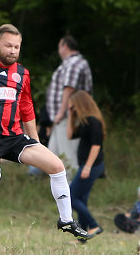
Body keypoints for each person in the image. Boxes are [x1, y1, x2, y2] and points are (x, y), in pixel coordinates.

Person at [0, 24, 90, 255]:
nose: (13, 50)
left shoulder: (22, 73)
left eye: (17, 47)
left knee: (56, 166)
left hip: (15, 138)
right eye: (9, 45)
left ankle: (66, 220)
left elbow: (26, 106)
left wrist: (36, 141)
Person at [46, 35, 93, 177]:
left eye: (59, 46)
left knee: (68, 156)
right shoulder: (69, 63)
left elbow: (69, 88)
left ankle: (71, 190)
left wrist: (61, 113)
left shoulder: (74, 63)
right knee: (51, 156)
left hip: (68, 117)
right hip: (61, 118)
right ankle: (58, 191)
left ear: (64, 46)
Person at [67, 90, 106, 242]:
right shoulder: (85, 122)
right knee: (81, 200)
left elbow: (96, 146)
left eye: (73, 105)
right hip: (86, 165)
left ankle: (94, 225)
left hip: (93, 166)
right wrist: (71, 116)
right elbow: (70, 135)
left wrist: (87, 167)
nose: (72, 108)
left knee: (71, 196)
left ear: (80, 104)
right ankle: (82, 237)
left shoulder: (94, 121)